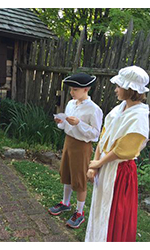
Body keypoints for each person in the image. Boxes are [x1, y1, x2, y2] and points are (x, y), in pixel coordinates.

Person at [85, 66, 149, 242]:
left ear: (130, 89)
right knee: (99, 209)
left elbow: (122, 150)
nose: (115, 89)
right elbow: (103, 137)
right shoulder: (118, 110)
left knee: (113, 213)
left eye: (119, 86)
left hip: (119, 170)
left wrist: (98, 164)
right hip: (106, 165)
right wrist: (95, 162)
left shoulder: (140, 116)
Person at [48, 73, 103, 229]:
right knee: (66, 173)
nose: (72, 92)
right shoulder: (71, 104)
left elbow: (95, 134)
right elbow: (66, 125)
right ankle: (65, 203)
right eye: (71, 89)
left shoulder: (94, 110)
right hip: (69, 142)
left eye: (75, 89)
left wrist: (79, 123)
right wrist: (61, 121)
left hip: (82, 146)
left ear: (86, 89)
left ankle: (80, 212)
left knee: (79, 178)